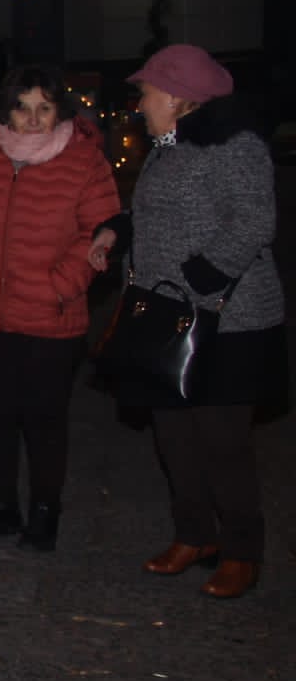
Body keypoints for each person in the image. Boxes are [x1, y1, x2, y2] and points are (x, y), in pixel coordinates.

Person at [89, 44, 283, 598]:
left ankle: (242, 550)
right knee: (174, 436)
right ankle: (194, 535)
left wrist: (204, 274)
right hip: (165, 316)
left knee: (223, 442)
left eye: (147, 93)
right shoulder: (167, 146)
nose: (139, 104)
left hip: (228, 322)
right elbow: (156, 212)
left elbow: (255, 220)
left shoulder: (235, 145)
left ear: (178, 98)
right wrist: (117, 229)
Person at [0, 66, 119, 552]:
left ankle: (44, 509)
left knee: (43, 419)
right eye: (22, 108)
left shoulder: (84, 162)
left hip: (49, 317)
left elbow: (101, 230)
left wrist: (61, 284)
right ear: (6, 111)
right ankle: (0, 504)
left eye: (44, 109)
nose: (33, 119)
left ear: (60, 112)